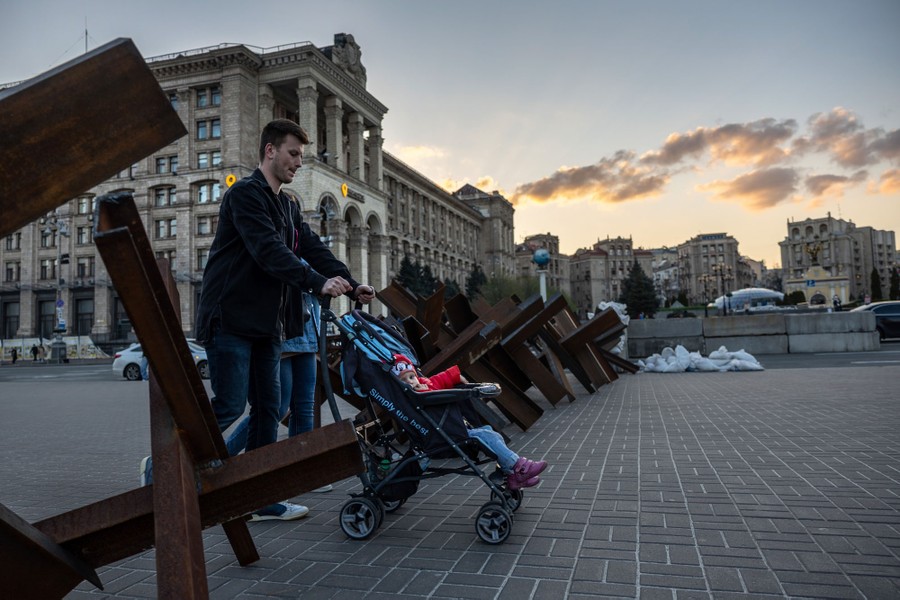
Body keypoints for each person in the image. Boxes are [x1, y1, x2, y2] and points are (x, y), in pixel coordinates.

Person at [142, 119, 375, 521]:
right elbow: (268, 251)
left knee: (269, 408)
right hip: (230, 319)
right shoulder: (244, 196)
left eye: (302, 155)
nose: (299, 162)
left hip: (269, 324)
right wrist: (319, 283)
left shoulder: (288, 205)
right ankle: (162, 466)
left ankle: (261, 496)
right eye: (293, 153)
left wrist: (351, 285)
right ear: (270, 151)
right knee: (230, 405)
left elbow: (313, 247)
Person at [390, 354, 547, 491]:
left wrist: (456, 377)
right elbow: (425, 399)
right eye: (404, 381)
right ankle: (519, 467)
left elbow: (440, 379)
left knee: (491, 433)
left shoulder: (426, 384)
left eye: (412, 377)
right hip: (445, 437)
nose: (411, 382)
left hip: (453, 431)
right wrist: (422, 391)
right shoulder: (411, 398)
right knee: (486, 435)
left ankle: (512, 474)